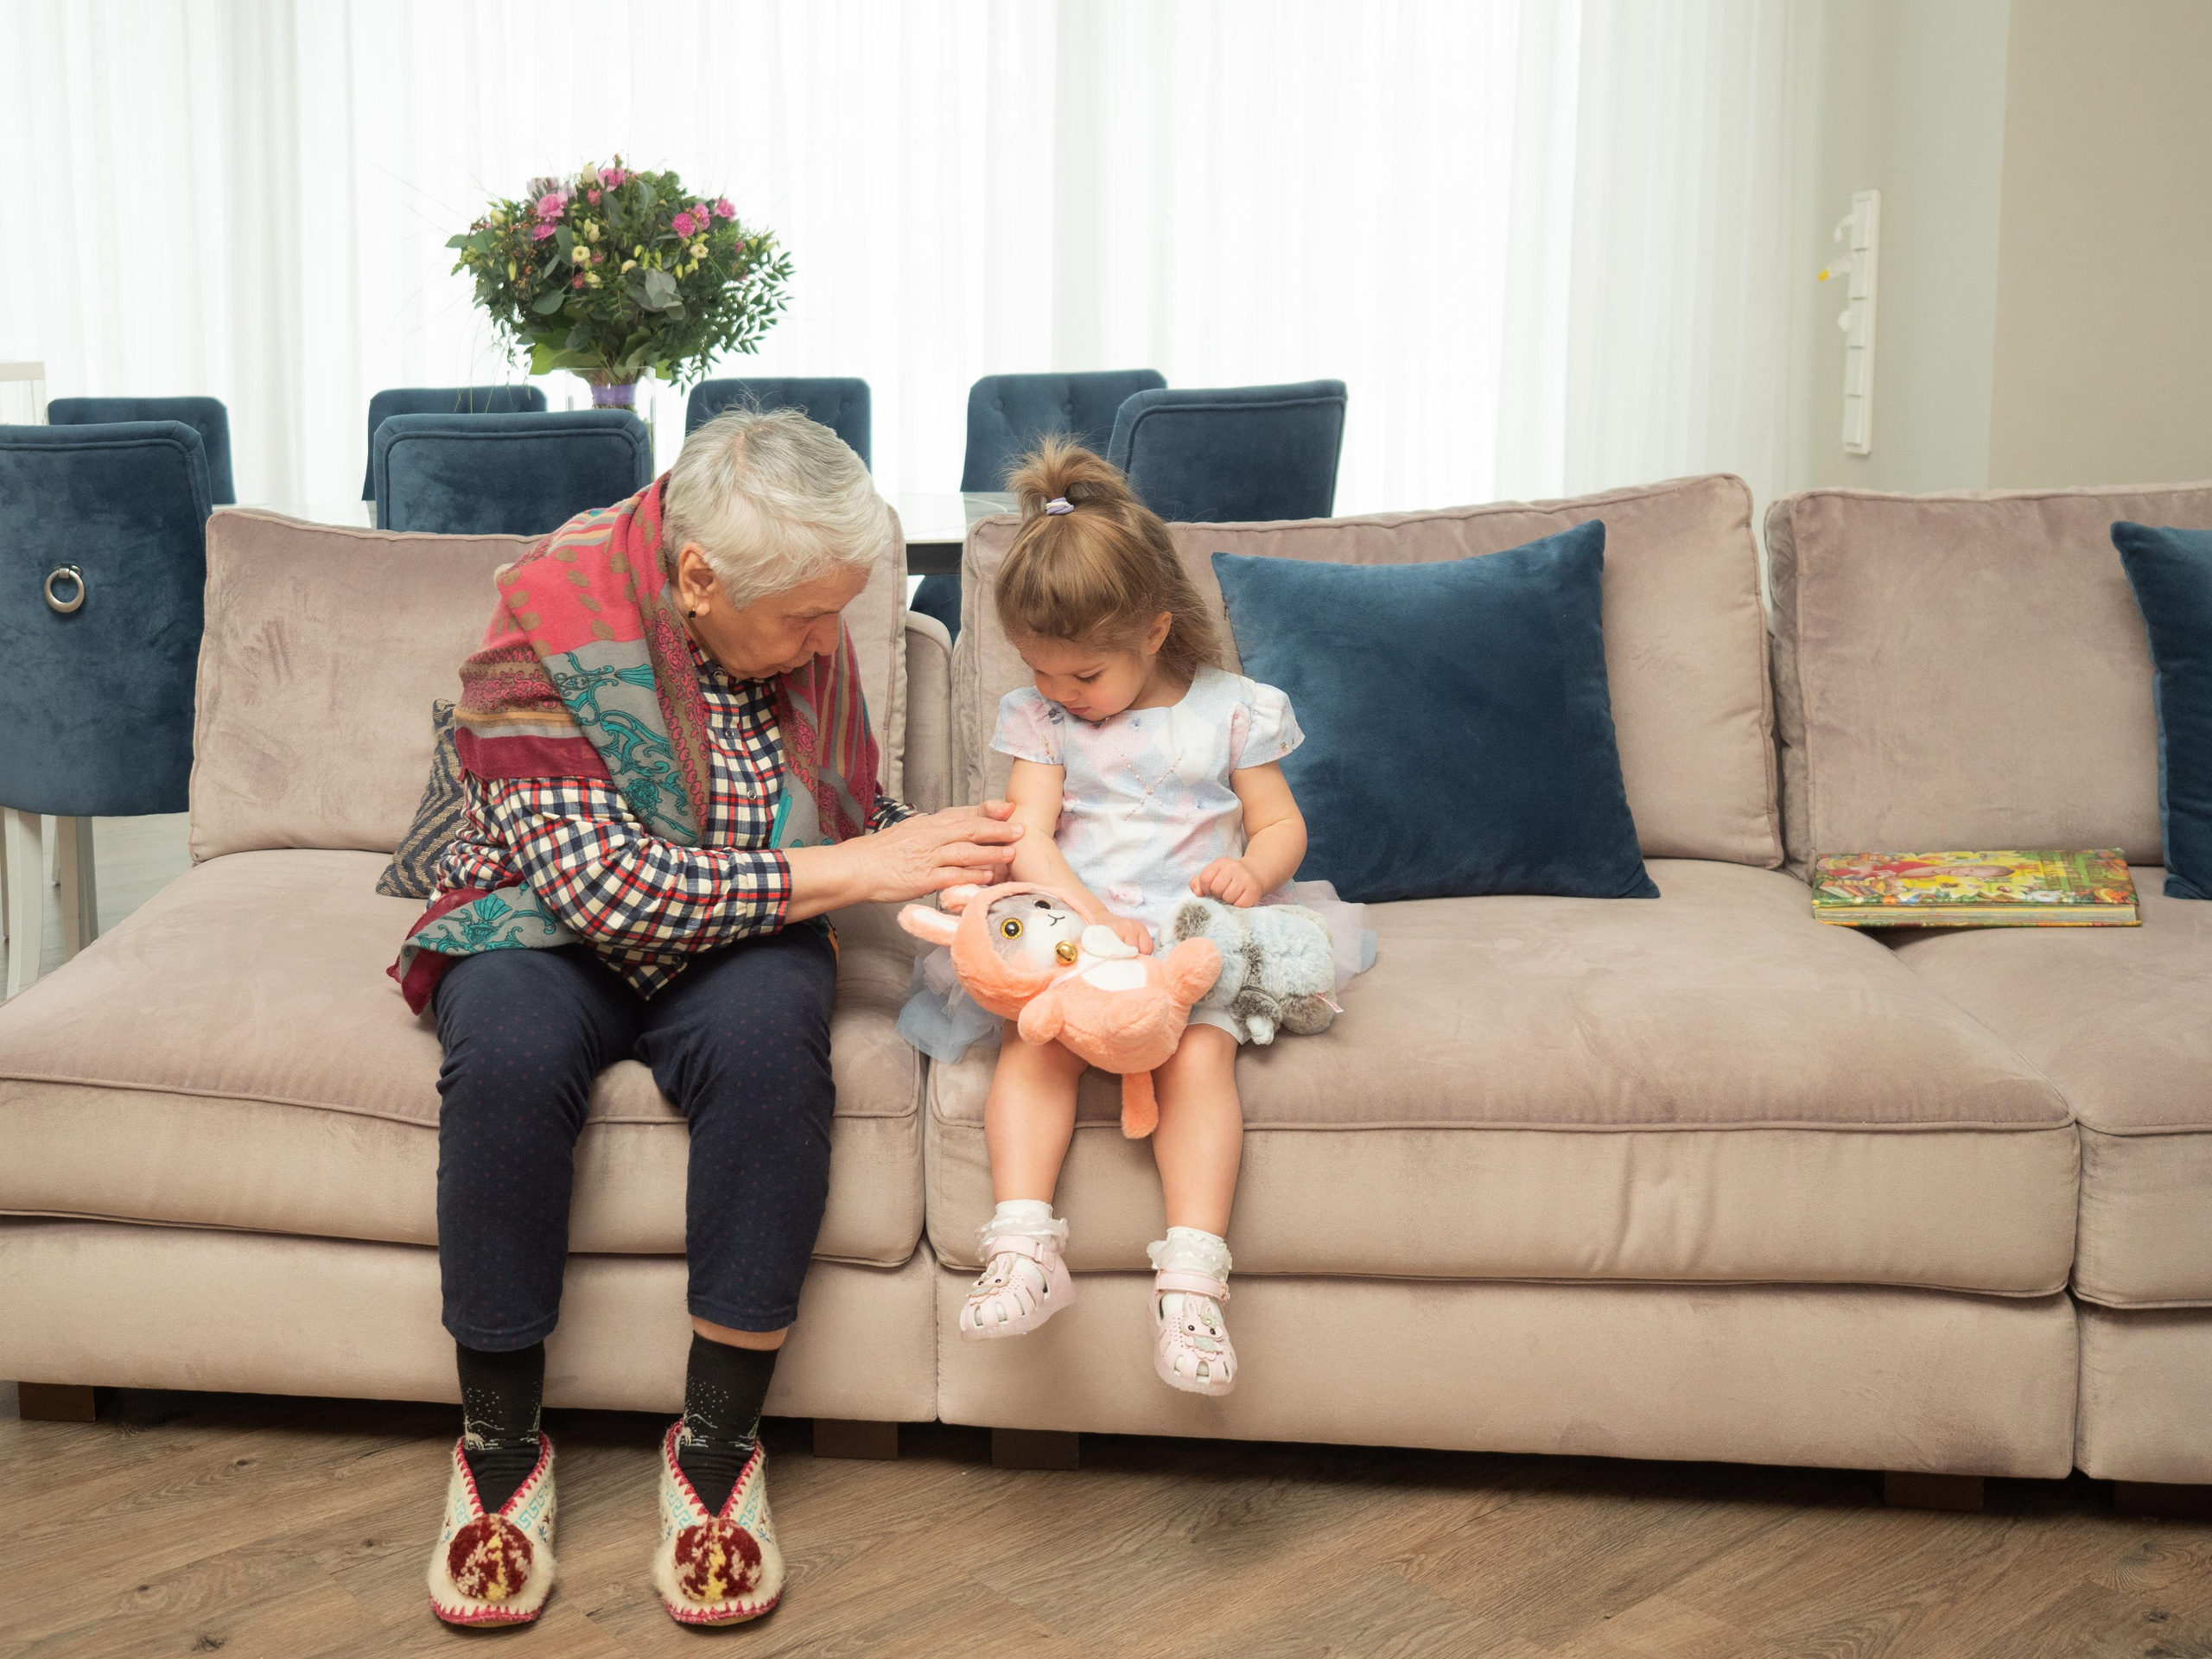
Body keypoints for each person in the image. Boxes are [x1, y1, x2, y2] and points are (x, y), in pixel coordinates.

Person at [391, 407, 1023, 1629]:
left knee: (774, 1045)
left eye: (838, 611)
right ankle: (499, 1450)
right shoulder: (545, 619)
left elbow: (839, 804)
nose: (827, 642)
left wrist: (943, 868)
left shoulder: (796, 612)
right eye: (803, 619)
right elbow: (604, 888)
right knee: (509, 1054)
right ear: (698, 578)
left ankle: (720, 1452)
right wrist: (860, 870)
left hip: (738, 919)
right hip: (544, 917)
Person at [925, 440, 1366, 1398]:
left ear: (1156, 630)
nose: (1059, 694)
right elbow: (1031, 840)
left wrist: (1251, 870)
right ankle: (1024, 1247)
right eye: (1042, 673)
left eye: (1081, 676)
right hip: (1080, 938)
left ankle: (1193, 1284)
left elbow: (1280, 822)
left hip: (1190, 937)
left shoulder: (1234, 711)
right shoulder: (1038, 722)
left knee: (1199, 1056)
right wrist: (1085, 921)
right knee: (1033, 1046)